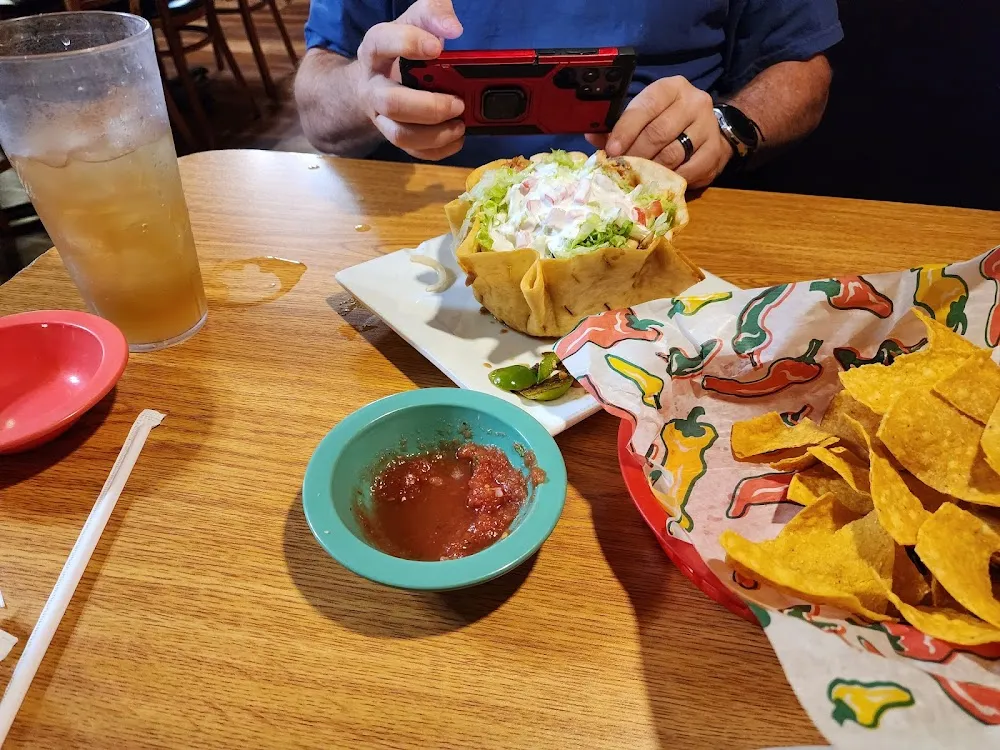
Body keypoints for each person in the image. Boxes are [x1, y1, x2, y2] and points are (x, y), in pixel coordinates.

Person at [294, 0, 841, 189]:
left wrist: (727, 128)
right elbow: (317, 100)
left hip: (666, 209)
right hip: (427, 236)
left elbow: (803, 65)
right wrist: (367, 91)